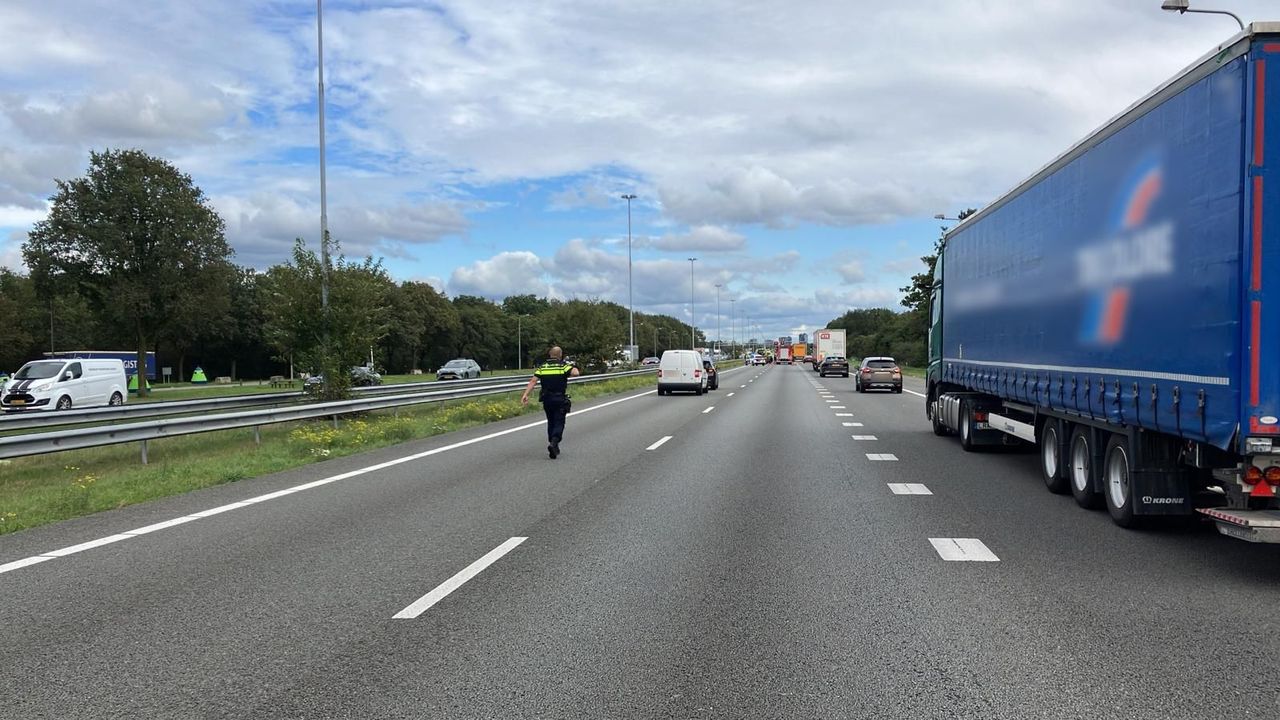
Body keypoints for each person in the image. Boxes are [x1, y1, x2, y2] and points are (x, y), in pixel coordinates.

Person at [521, 346, 580, 459]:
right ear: (560, 355)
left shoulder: (543, 367)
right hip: (559, 398)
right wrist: (570, 364)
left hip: (546, 399)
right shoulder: (563, 366)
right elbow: (576, 373)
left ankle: (552, 443)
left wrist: (525, 394)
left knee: (551, 421)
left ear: (550, 355)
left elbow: (533, 381)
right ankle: (554, 442)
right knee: (559, 422)